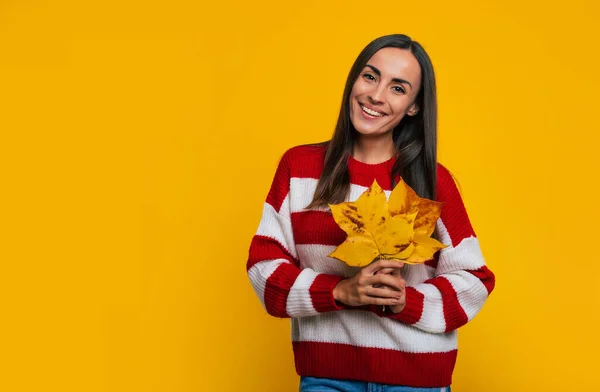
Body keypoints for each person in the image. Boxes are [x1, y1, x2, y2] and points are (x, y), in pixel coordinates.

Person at [246, 34, 495, 392]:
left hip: (418, 379)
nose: (376, 96)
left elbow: (474, 280)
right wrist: (339, 292)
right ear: (353, 81)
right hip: (326, 376)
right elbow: (263, 270)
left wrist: (405, 301)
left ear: (413, 106)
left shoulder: (432, 182)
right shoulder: (299, 167)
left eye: (398, 88)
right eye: (370, 76)